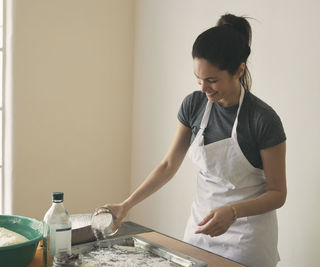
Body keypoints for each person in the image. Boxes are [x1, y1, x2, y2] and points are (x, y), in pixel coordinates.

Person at [104, 14, 286, 267]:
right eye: (198, 79)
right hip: (200, 232)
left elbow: (278, 193)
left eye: (212, 80)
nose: (203, 88)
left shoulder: (262, 119)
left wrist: (233, 211)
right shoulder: (194, 105)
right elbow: (168, 166)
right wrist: (126, 205)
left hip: (247, 238)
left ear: (239, 69)